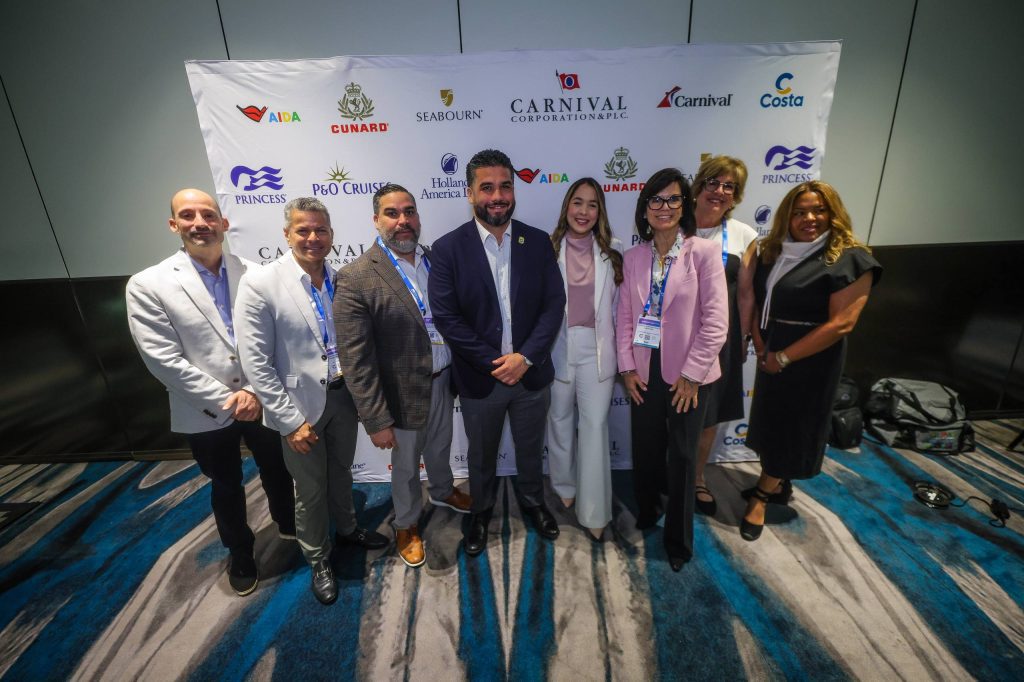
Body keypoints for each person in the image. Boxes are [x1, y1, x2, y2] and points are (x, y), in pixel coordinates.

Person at [126, 188, 295, 597]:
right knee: (225, 484)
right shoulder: (147, 284)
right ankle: (240, 550)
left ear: (224, 222)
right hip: (203, 410)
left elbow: (279, 340)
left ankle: (289, 524)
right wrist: (230, 399)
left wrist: (254, 390)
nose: (199, 223)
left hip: (263, 398)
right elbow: (162, 358)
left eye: (207, 214)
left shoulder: (257, 273)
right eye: (188, 215)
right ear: (174, 225)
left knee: (278, 469)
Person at [234, 197, 387, 605]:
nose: (313, 238)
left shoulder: (342, 280)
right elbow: (255, 363)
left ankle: (348, 530)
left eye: (321, 230)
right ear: (287, 235)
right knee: (311, 489)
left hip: (343, 398)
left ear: (332, 235)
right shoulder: (261, 283)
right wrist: (289, 422)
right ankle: (319, 558)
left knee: (341, 473)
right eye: (303, 230)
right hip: (298, 407)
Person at [428, 149, 566, 557]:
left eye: (505, 186)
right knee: (481, 456)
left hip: (531, 375)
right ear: (470, 193)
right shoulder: (447, 248)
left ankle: (533, 502)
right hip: (480, 378)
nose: (498, 196)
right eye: (486, 187)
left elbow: (553, 305)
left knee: (530, 449)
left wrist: (525, 358)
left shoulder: (537, 242)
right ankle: (481, 511)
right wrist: (497, 363)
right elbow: (447, 318)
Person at [334, 184, 472, 568]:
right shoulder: (357, 276)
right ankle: (407, 522)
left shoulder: (436, 260)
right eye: (392, 213)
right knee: (407, 466)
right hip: (400, 392)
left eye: (409, 211)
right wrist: (376, 419)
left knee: (441, 447)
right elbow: (356, 358)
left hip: (444, 379)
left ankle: (443, 490)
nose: (403, 221)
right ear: (376, 220)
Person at [739, 181, 882, 541]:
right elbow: (756, 300)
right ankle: (777, 483)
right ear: (787, 217)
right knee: (773, 422)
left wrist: (785, 356)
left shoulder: (850, 258)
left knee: (793, 425)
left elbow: (842, 324)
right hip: (773, 347)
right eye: (799, 212)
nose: (809, 218)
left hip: (811, 357)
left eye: (819, 210)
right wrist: (761, 344)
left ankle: (761, 497)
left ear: (833, 214)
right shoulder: (774, 252)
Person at [615, 168, 728, 571]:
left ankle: (678, 541)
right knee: (645, 450)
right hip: (645, 369)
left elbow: (716, 323)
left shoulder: (703, 252)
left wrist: (692, 374)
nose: (664, 207)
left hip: (688, 375)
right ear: (645, 207)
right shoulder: (634, 258)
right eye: (656, 199)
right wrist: (627, 368)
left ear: (684, 206)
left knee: (681, 457)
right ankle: (648, 509)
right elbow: (624, 317)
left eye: (673, 199)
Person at [546, 178, 623, 541]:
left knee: (594, 426)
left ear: (600, 212)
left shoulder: (615, 251)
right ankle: (564, 485)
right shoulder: (547, 249)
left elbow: (621, 310)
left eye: (592, 205)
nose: (584, 211)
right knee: (559, 420)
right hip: (557, 347)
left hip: (598, 348)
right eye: (578, 202)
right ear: (567, 206)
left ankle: (594, 511)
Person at [691, 156, 759, 517]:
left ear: (736, 195)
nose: (719, 191)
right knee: (670, 412)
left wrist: (743, 337)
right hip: (675, 338)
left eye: (729, 186)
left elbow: (745, 294)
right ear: (699, 185)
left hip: (721, 340)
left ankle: (696, 478)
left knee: (709, 414)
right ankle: (668, 471)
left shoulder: (744, 235)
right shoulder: (674, 223)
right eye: (713, 182)